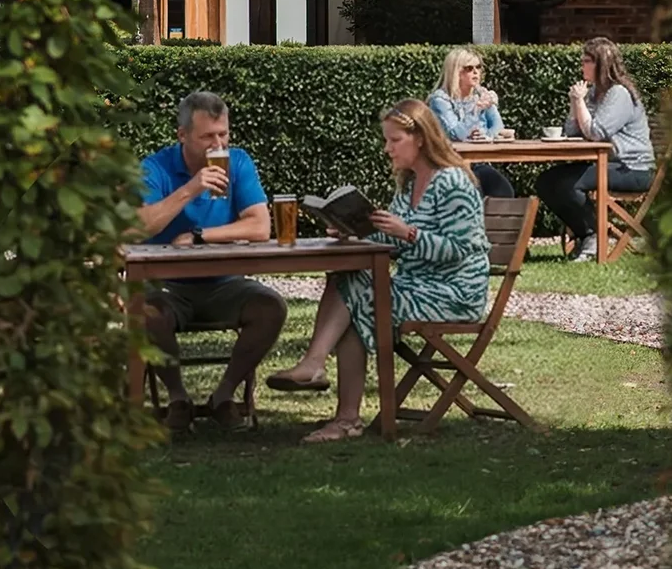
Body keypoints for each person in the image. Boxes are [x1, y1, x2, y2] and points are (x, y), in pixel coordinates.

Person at [274, 101, 491, 443]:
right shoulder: (407, 185)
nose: (387, 148)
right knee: (349, 283)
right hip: (416, 285)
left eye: (394, 140)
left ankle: (328, 387)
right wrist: (353, 230)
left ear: (419, 138)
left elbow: (461, 250)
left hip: (455, 292)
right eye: (386, 140)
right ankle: (339, 408)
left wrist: (407, 232)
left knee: (356, 295)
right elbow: (397, 243)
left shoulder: (453, 184)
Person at [137, 90, 285, 434]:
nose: (217, 144)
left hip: (224, 283)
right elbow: (139, 225)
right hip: (167, 285)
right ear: (182, 135)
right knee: (146, 312)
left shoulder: (239, 163)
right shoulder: (155, 167)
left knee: (271, 308)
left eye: (223, 135)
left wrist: (200, 235)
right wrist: (189, 189)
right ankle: (177, 399)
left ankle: (223, 396)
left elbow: (260, 226)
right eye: (207, 136)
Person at [537, 36, 656, 260]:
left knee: (566, 184)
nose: (582, 65)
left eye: (586, 61)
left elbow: (596, 133)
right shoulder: (593, 93)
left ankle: (591, 236)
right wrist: (576, 102)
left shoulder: (618, 94)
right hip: (607, 164)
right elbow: (573, 131)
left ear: (600, 64)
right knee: (546, 181)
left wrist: (580, 103)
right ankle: (587, 234)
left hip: (632, 169)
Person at [427, 46, 517, 198]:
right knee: (474, 192)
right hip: (451, 164)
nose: (476, 72)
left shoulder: (479, 93)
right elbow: (456, 134)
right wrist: (477, 109)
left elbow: (497, 125)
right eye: (469, 68)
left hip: (479, 161)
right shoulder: (440, 100)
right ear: (456, 72)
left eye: (478, 67)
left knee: (503, 191)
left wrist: (485, 136)